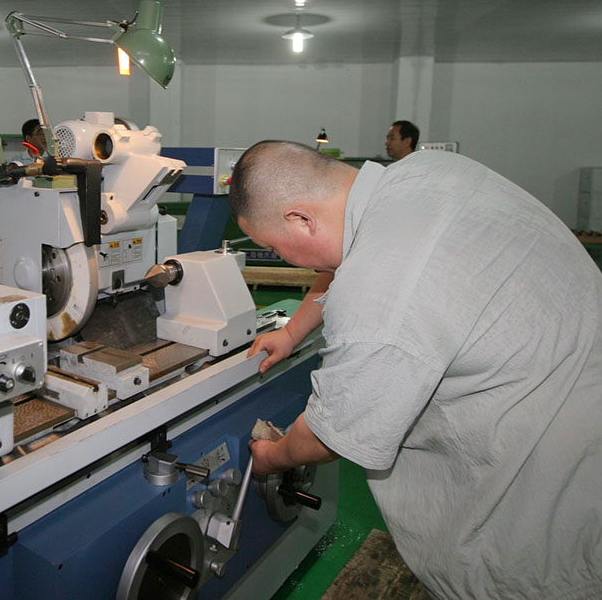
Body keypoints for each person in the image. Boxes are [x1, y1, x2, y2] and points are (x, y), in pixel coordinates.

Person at [229, 140, 602, 599]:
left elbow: (330, 434)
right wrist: (292, 332)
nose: (283, 257)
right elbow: (349, 249)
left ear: (301, 219)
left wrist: (273, 457)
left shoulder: (377, 296)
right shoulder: (425, 171)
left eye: (274, 247)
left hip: (551, 473)